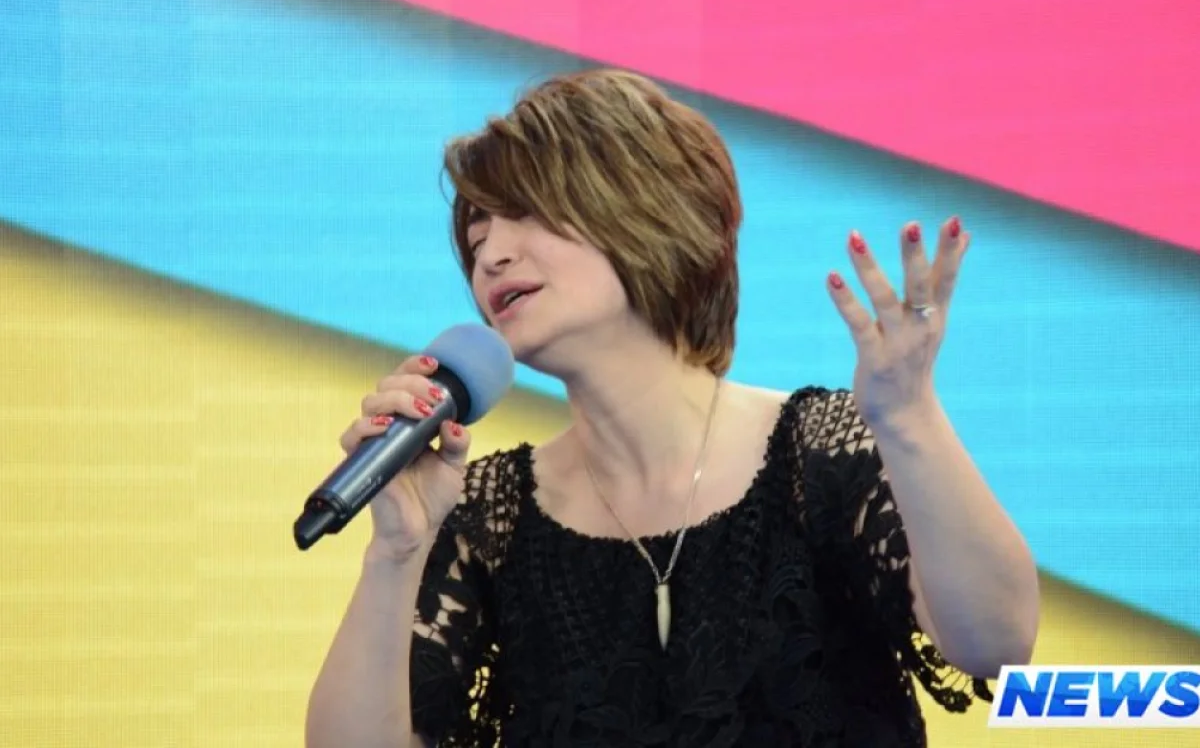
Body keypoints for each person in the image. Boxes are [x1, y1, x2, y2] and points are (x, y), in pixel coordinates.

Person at [305, 69, 1040, 747]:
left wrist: (909, 421)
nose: (490, 257)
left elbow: (997, 645)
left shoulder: (819, 453)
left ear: (640, 207)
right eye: (476, 239)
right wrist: (396, 552)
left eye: (523, 215)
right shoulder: (487, 518)